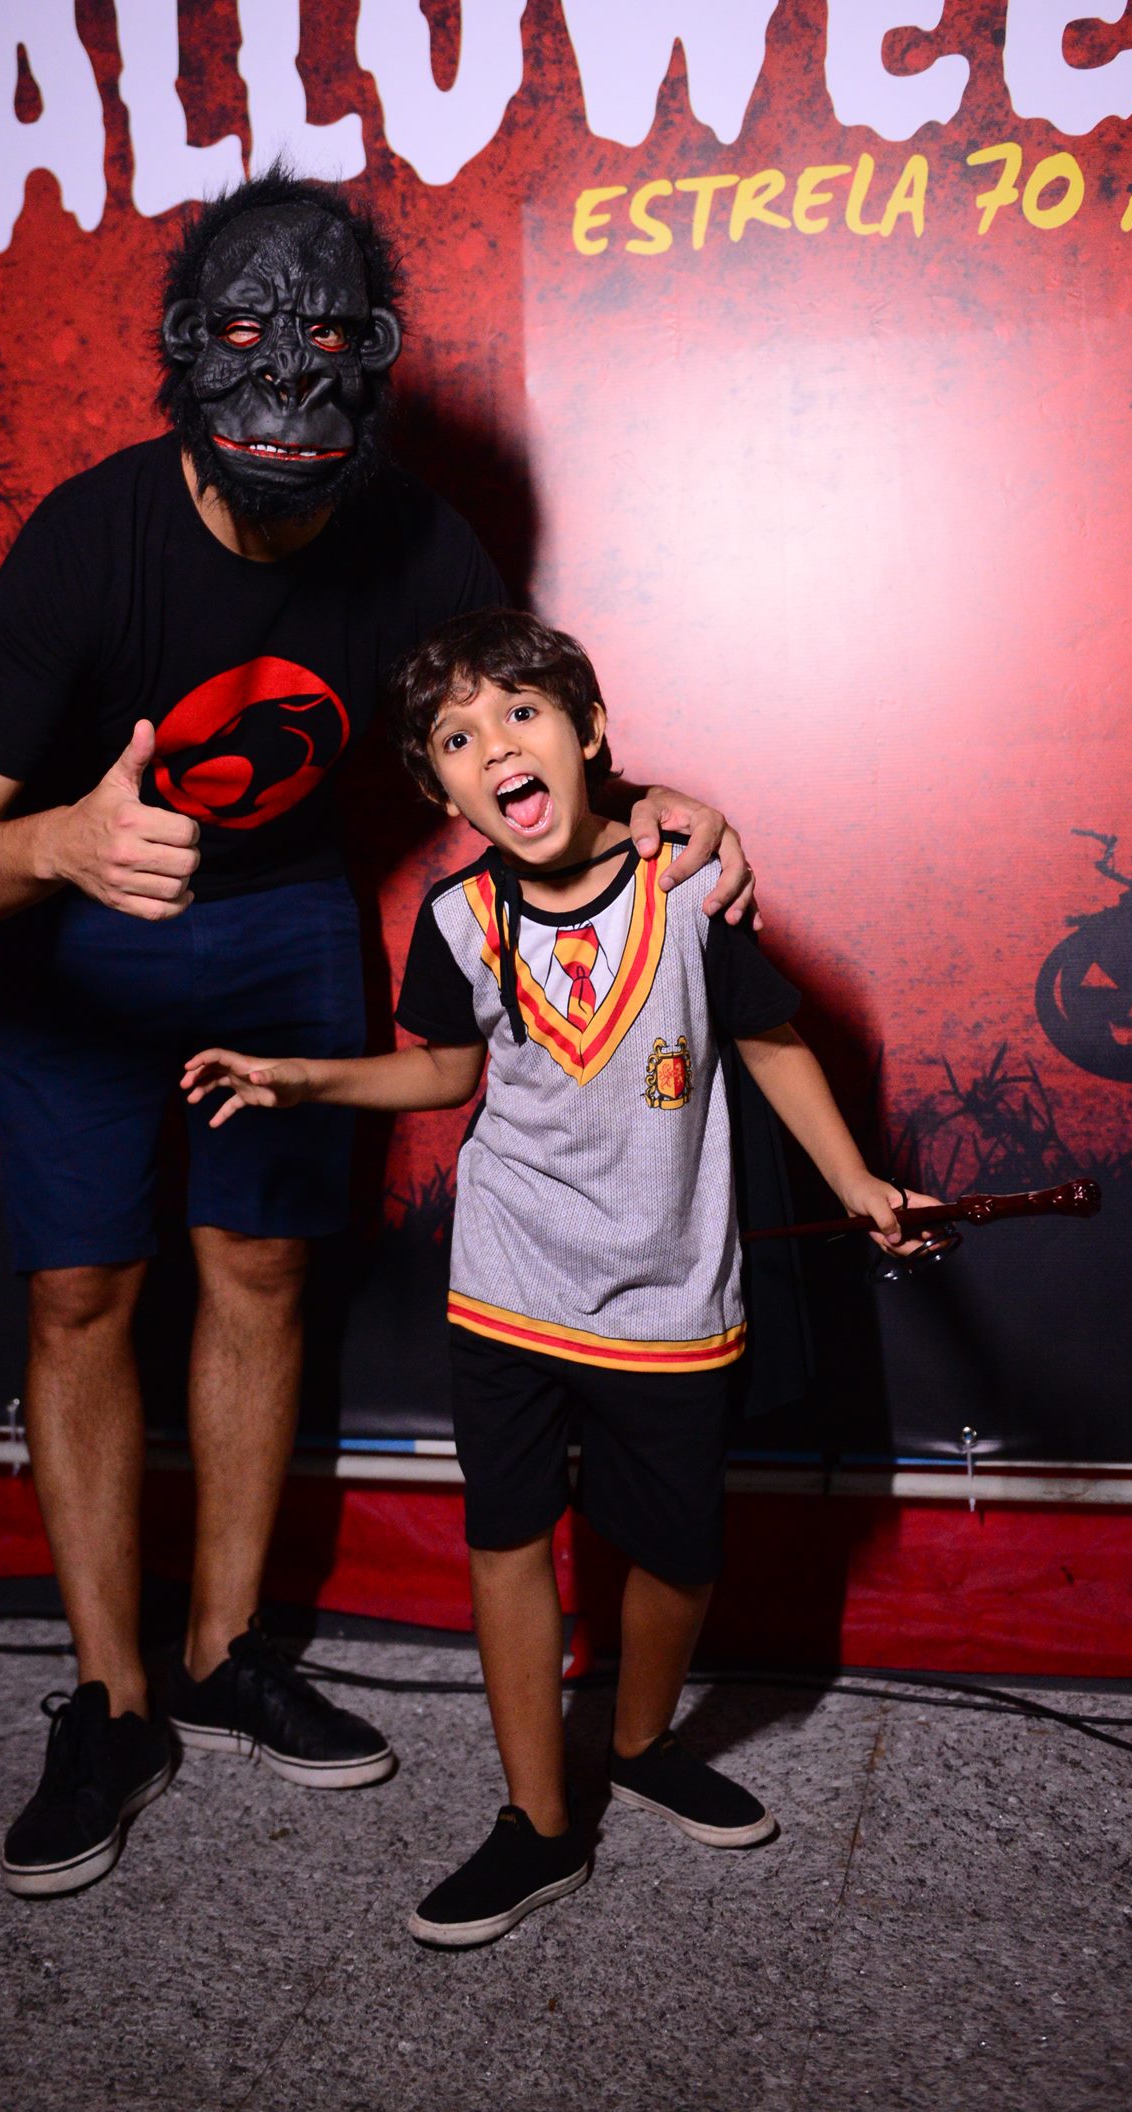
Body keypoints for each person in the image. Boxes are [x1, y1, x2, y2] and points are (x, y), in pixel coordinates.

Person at [0, 172, 754, 1899]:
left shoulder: (416, 538)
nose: (287, 376)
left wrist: (659, 811)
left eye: (328, 339)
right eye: (244, 335)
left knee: (264, 1270)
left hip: (281, 917)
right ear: (179, 353)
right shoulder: (89, 542)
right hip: (81, 920)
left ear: (378, 357)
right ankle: (110, 1699)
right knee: (81, 1294)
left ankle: (221, 1655)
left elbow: (525, 741)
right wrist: (57, 846)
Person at [182, 607, 931, 1949]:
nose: (494, 747)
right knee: (506, 1537)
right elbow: (442, 1075)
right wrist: (300, 1078)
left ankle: (640, 1743)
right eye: (455, 739)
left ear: (587, 734)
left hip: (670, 1290)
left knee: (679, 1551)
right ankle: (536, 1821)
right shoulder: (457, 919)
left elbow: (770, 1042)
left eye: (519, 713)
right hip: (509, 1282)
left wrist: (858, 1183)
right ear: (440, 792)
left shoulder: (687, 887)